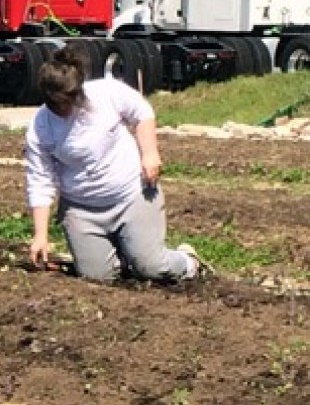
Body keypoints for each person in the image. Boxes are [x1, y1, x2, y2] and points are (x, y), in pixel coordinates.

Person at [25, 46, 201, 283]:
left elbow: (141, 112)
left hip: (131, 195)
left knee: (152, 267)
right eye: (58, 105)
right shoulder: (40, 128)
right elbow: (40, 182)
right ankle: (123, 254)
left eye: (69, 102)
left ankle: (188, 261)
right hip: (82, 210)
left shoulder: (105, 93)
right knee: (97, 278)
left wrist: (150, 153)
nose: (65, 110)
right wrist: (41, 235)